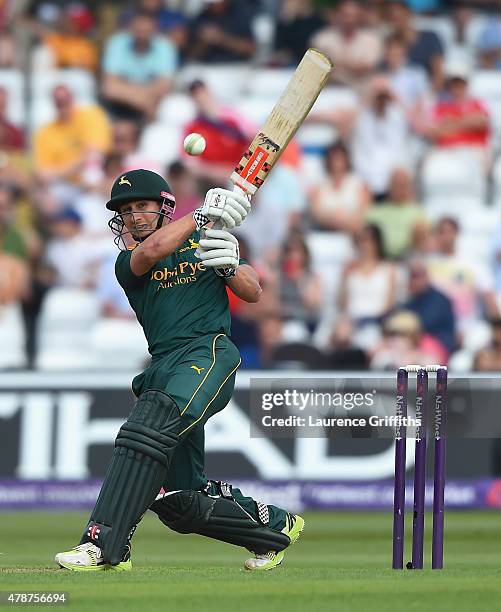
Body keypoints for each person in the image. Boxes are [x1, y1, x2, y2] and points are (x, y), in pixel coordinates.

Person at [55, 169, 304, 572]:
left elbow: (254, 290)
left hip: (207, 351)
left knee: (144, 431)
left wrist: (228, 267)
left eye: (142, 207)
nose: (133, 216)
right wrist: (202, 214)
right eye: (126, 211)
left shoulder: (204, 239)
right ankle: (275, 528)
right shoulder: (125, 263)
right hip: (164, 365)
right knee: (179, 500)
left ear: (164, 207)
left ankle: (101, 546)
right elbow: (151, 252)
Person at [102, 10, 178, 120]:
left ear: (155, 29)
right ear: (131, 27)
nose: (142, 33)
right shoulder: (117, 42)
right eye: (139, 29)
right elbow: (110, 86)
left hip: (154, 102)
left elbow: (164, 86)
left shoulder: (165, 46)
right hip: (125, 105)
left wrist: (128, 92)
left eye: (146, 30)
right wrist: (143, 102)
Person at [33, 84, 111, 191]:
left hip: (93, 179)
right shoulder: (45, 132)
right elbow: (42, 173)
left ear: (72, 98)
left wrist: (59, 171)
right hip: (63, 185)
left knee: (92, 174)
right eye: (59, 101)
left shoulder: (91, 115)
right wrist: (78, 163)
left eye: (64, 100)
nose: (62, 104)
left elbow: (96, 153)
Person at [311, 0, 383, 88]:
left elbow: (363, 69)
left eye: (353, 16)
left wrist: (333, 63)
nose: (349, 20)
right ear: (338, 14)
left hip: (361, 92)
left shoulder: (372, 40)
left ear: (360, 17)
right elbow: (315, 67)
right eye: (345, 15)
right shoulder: (322, 38)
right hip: (329, 90)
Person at [366, 167, 428, 259]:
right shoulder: (375, 211)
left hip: (408, 260)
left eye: (403, 185)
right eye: (397, 184)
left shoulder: (418, 212)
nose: (400, 189)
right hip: (380, 260)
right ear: (389, 186)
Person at [310, 141, 371, 233]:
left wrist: (346, 223)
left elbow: (364, 212)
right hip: (325, 232)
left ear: (346, 160)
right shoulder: (319, 184)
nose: (336, 163)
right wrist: (333, 221)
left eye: (339, 158)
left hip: (353, 233)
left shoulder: (359, 183)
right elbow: (316, 213)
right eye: (334, 159)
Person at [386, 0, 444, 90]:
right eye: (393, 18)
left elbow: (438, 72)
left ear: (409, 14)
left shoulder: (430, 37)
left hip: (427, 92)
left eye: (399, 17)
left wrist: (429, 96)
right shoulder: (391, 43)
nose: (396, 22)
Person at [188, 0, 256, 64]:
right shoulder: (201, 18)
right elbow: (190, 56)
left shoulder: (240, 14)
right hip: (207, 67)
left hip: (237, 67)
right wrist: (203, 42)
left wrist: (222, 39)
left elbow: (250, 49)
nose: (212, 5)